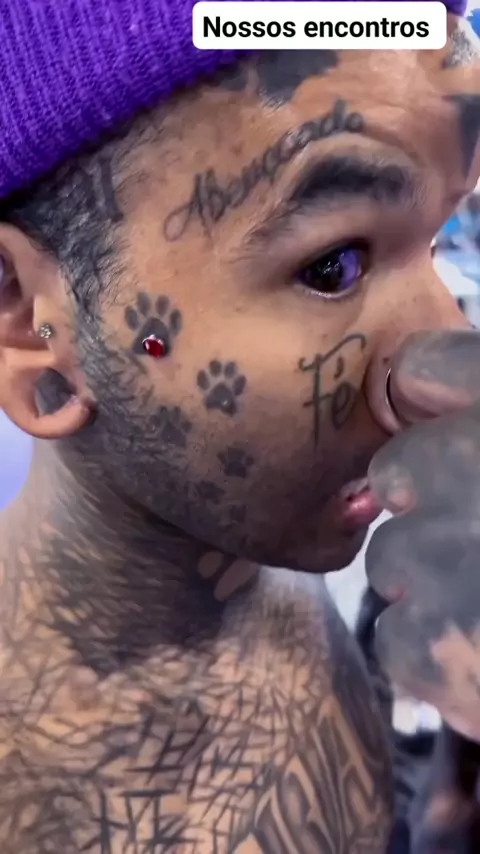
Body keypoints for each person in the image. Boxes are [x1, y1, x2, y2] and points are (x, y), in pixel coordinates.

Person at [0, 0, 478, 851]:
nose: (442, 369)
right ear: (27, 320)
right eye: (333, 266)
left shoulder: (265, 546)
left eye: (444, 240)